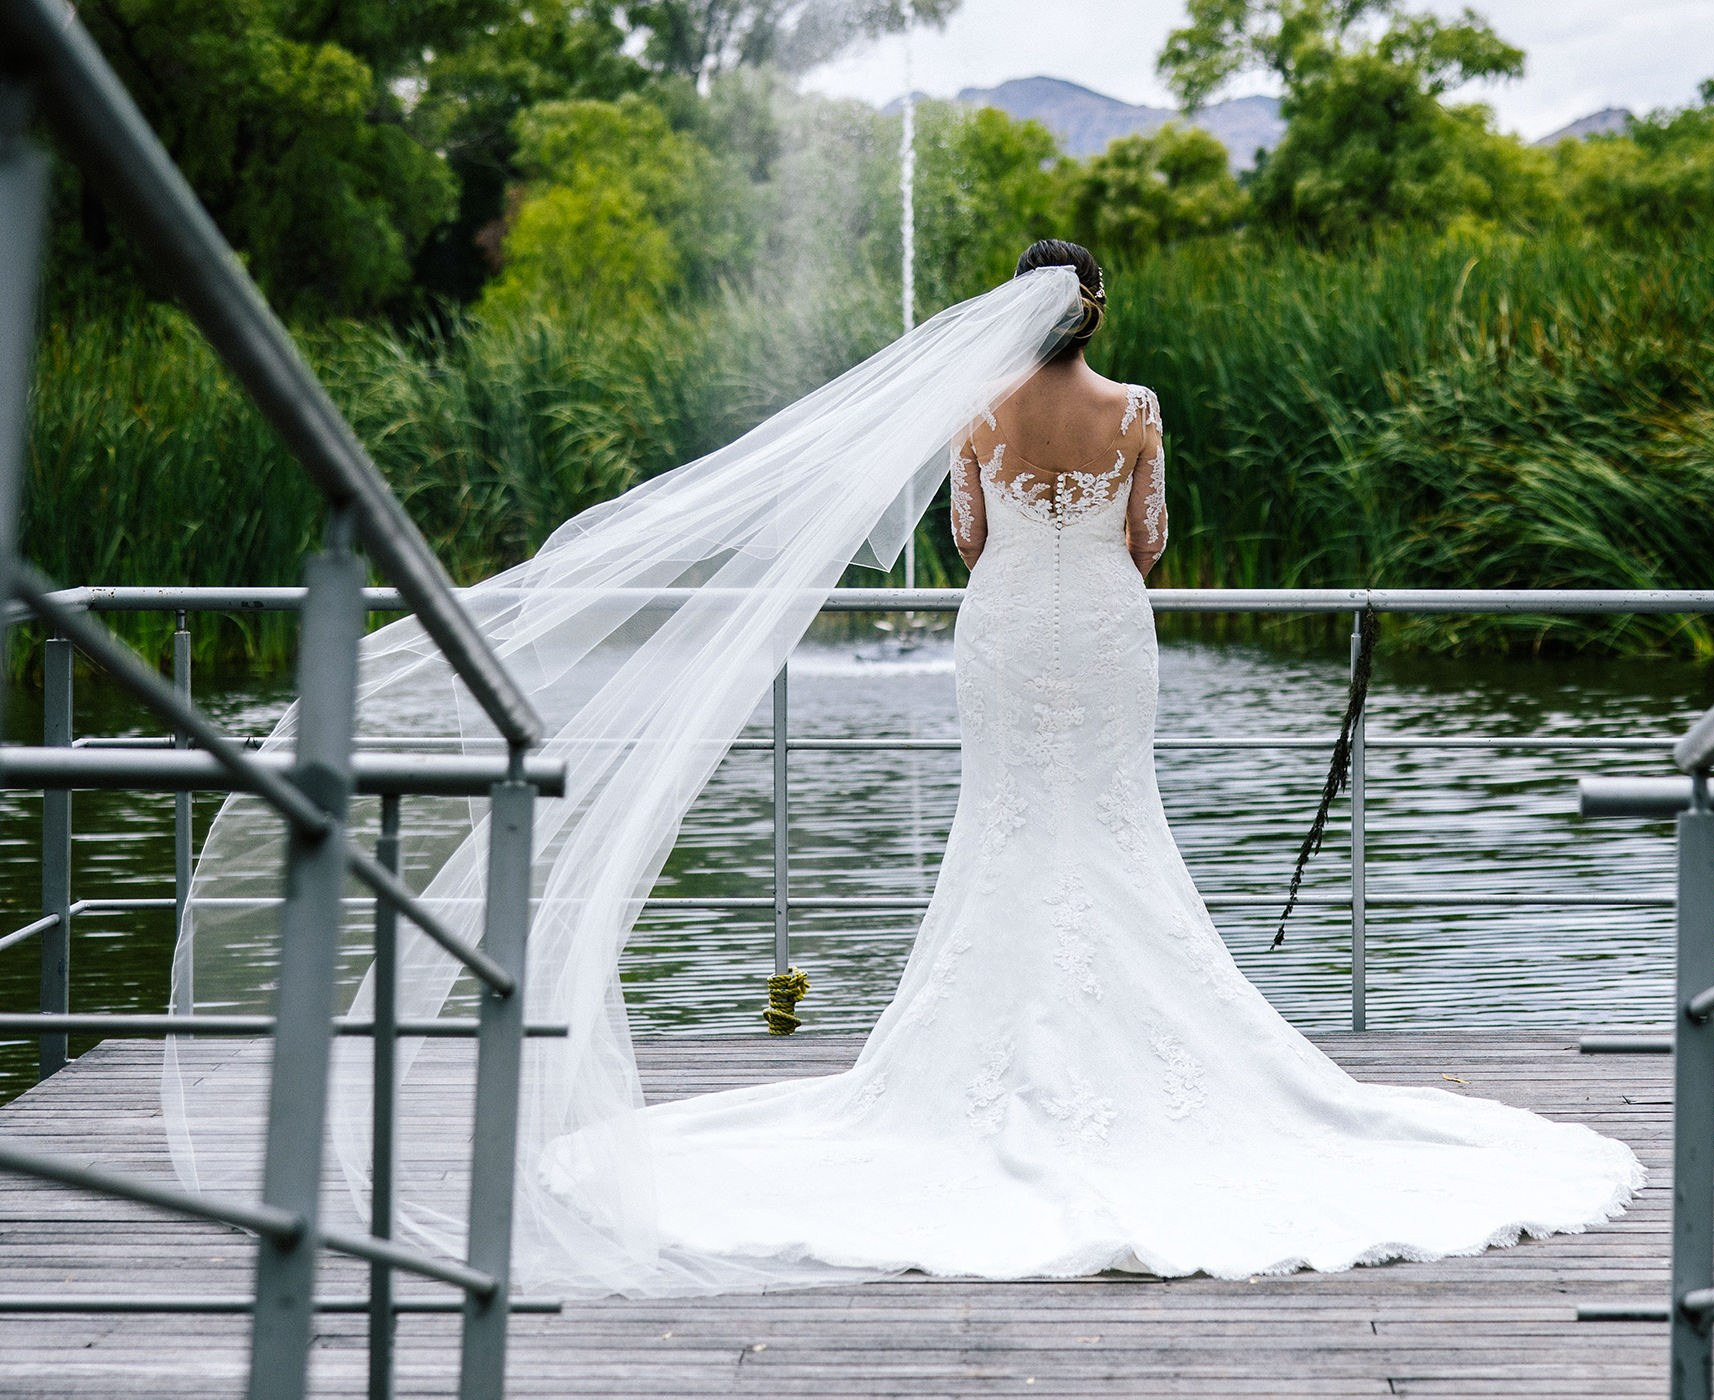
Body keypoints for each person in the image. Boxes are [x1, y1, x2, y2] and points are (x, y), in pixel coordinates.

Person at [173, 242, 1640, 1298]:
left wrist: (1011, 521)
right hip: (1105, 634)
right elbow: (1150, 546)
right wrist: (1101, 532)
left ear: (1015, 312)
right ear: (1099, 309)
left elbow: (970, 546)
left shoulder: (976, 416)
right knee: (1109, 828)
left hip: (1004, 638)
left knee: (1007, 833)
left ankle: (962, 1077)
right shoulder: (1134, 411)